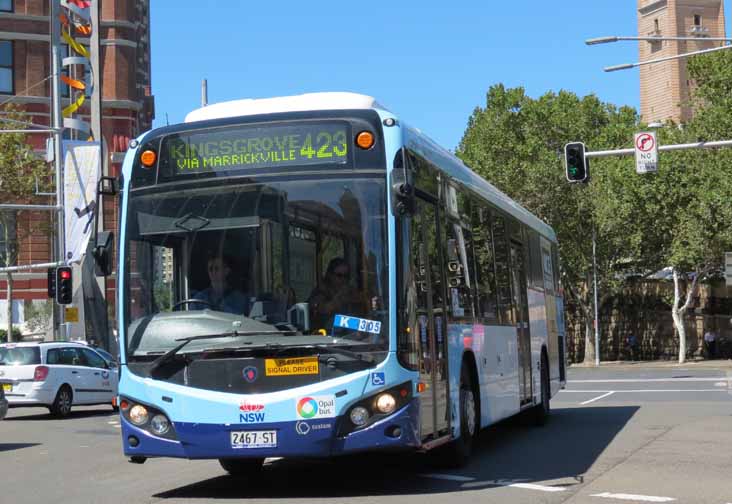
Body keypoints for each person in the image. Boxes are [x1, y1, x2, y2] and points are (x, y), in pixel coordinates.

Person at [308, 257, 366, 331]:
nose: (343, 280)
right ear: (330, 275)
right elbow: (324, 310)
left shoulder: (350, 290)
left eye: (346, 276)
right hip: (324, 335)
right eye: (339, 275)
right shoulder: (320, 291)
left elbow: (362, 302)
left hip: (350, 338)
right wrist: (340, 296)